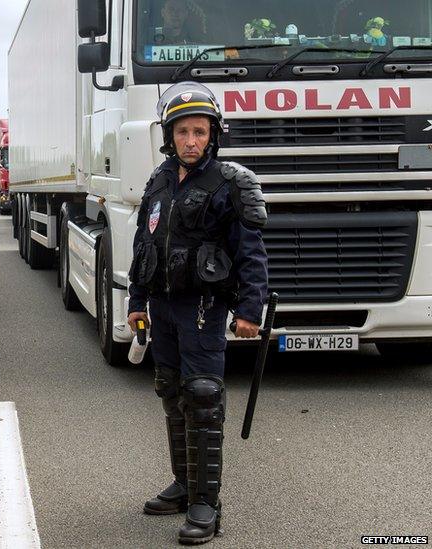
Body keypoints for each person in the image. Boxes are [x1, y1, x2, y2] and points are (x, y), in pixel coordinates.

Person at [126, 82, 268, 545]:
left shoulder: (231, 183)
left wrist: (249, 309)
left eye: (200, 132)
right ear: (170, 136)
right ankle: (185, 486)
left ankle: (208, 504)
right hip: (162, 306)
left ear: (213, 135)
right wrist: (136, 301)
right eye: (183, 132)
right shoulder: (159, 179)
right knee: (171, 392)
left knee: (203, 396)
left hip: (204, 307)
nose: (191, 140)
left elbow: (252, 253)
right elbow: (144, 243)